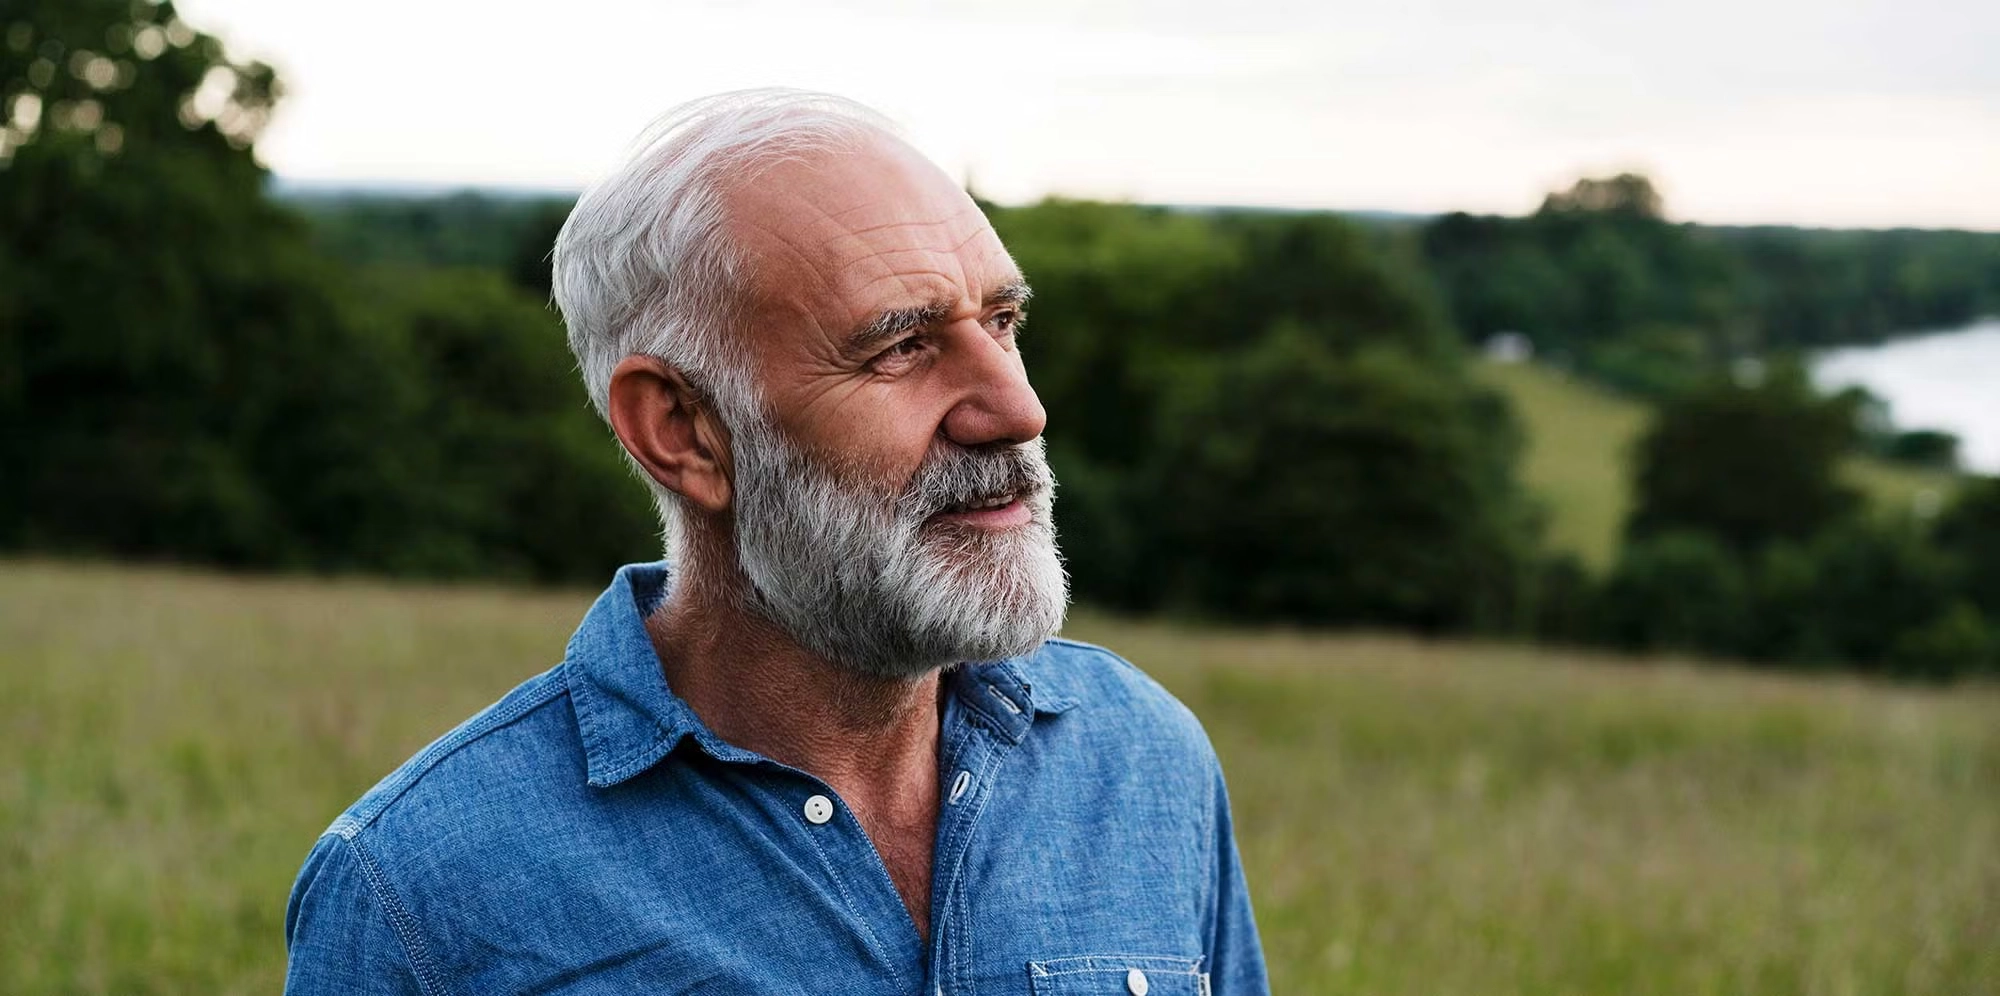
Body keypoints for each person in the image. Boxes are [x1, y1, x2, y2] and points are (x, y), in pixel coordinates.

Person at [283, 88, 1268, 996]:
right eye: (899, 347)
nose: (1017, 409)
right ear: (681, 430)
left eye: (1002, 322)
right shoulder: (415, 893)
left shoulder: (1141, 757)